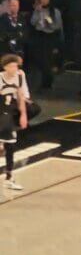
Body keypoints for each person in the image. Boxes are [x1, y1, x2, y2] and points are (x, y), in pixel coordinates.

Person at [0, 54, 27, 190]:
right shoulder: (0, 78)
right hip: (1, 112)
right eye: (11, 66)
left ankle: (9, 177)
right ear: (5, 67)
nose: (14, 68)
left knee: (10, 147)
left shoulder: (20, 77)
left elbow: (21, 97)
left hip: (10, 114)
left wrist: (23, 115)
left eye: (16, 66)